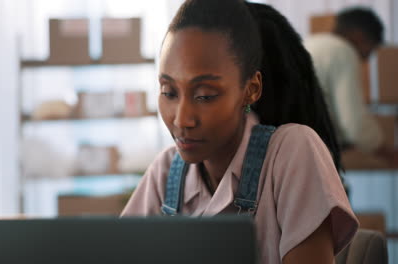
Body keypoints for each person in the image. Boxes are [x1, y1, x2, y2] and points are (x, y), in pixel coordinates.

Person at [122, 1, 358, 263]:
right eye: (169, 92)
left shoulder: (293, 150)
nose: (182, 119)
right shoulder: (166, 173)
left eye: (205, 96)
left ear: (251, 89)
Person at [304, 7, 395, 161]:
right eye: (370, 50)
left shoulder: (311, 43)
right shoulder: (343, 51)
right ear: (359, 36)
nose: (367, 59)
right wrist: (388, 154)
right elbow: (354, 123)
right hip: (310, 152)